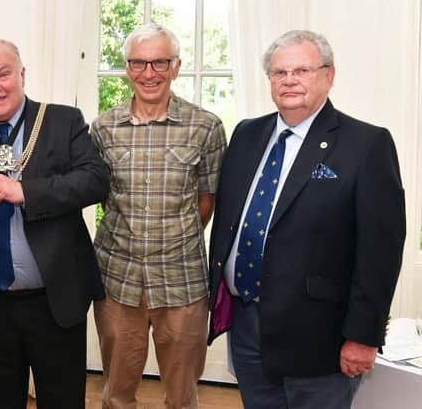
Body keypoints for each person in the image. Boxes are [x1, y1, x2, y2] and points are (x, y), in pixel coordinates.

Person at [208, 30, 406, 409]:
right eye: (279, 72)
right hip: (247, 324)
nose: (290, 80)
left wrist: (363, 336)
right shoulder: (247, 134)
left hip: (320, 335)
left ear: (329, 76)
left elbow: (380, 253)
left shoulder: (366, 144)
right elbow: (232, 219)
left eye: (302, 70)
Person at [0, 38, 109, 408]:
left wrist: (26, 191)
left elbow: (95, 181)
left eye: (3, 74)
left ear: (22, 74)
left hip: (53, 301)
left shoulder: (63, 121)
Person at [90, 23, 227, 408]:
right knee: (116, 394)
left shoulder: (206, 127)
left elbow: (207, 200)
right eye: (139, 63)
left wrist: (169, 239)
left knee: (183, 396)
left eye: (159, 63)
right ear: (127, 67)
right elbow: (105, 198)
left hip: (182, 281)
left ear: (176, 66)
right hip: (118, 281)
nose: (148, 73)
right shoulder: (103, 128)